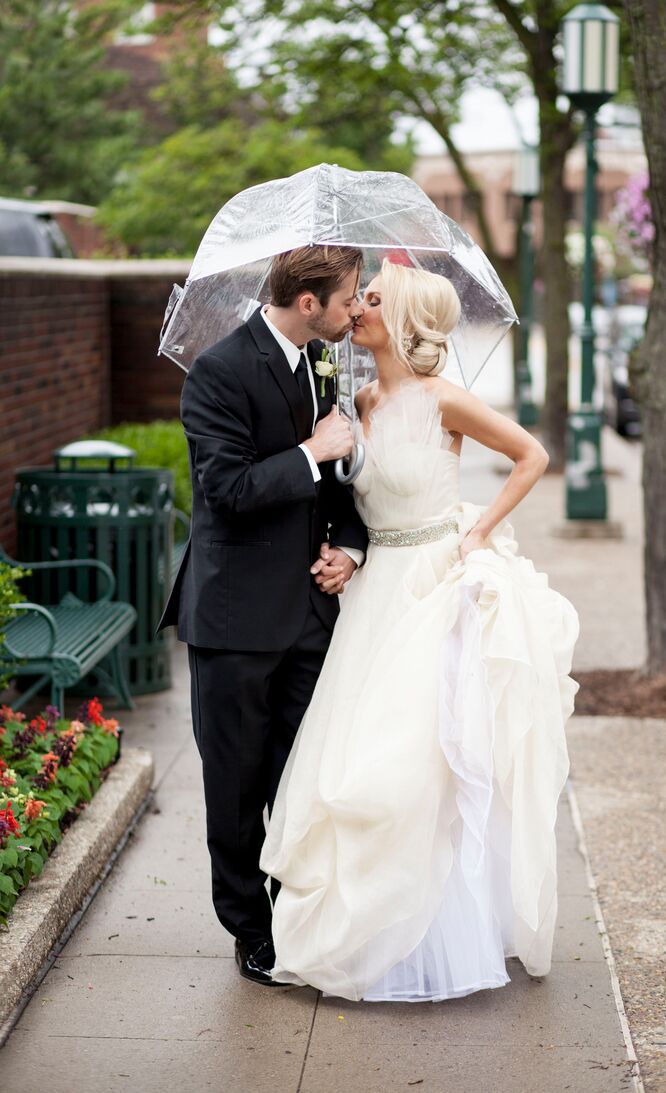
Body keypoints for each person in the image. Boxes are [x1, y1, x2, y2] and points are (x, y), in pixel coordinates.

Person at [260, 259, 580, 1002]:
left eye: (372, 299)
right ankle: (355, 931)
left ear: (402, 320)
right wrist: (343, 547)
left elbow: (531, 455)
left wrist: (480, 533)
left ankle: (423, 940)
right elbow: (346, 498)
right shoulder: (356, 396)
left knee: (412, 763)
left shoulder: (444, 399)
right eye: (358, 297)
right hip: (371, 598)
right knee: (348, 754)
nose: (357, 308)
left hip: (433, 586)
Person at [157, 245, 369, 986]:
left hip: (311, 614)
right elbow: (226, 489)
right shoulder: (217, 371)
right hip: (235, 618)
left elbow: (339, 487)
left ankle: (297, 915)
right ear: (307, 300)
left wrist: (350, 547)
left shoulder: (322, 365)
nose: (356, 307)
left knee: (305, 780)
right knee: (239, 788)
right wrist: (312, 450)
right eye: (347, 295)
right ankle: (251, 930)